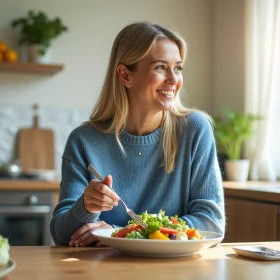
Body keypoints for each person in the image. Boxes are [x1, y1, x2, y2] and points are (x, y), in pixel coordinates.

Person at [50, 21, 226, 247]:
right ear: (125, 76)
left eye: (178, 68)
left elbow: (210, 222)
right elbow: (62, 236)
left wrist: (119, 234)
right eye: (161, 67)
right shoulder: (83, 140)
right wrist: (86, 207)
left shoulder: (195, 129)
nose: (174, 80)